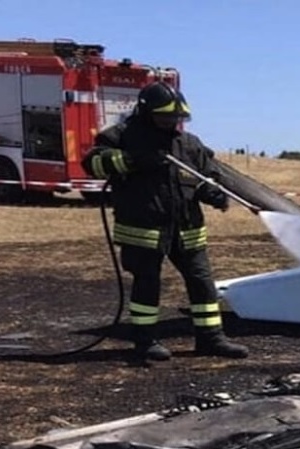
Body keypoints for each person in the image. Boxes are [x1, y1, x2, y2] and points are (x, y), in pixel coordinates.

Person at [81, 81, 249, 363]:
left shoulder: (189, 144)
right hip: (144, 230)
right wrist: (131, 161)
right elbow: (93, 164)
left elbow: (207, 175)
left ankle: (211, 339)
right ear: (146, 112)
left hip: (187, 230)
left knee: (203, 283)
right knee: (148, 284)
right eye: (165, 116)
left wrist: (212, 193)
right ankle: (145, 342)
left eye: (176, 118)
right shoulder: (122, 136)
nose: (171, 122)